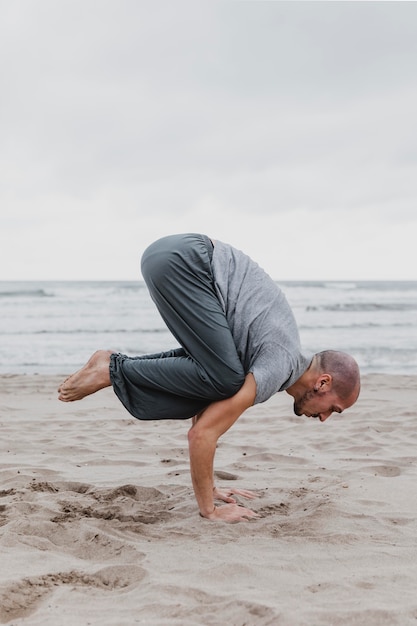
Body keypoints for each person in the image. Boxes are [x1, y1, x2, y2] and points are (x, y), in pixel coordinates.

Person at [58, 233, 360, 523]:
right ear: (323, 383)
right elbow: (202, 434)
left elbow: (207, 406)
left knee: (216, 381)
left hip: (175, 257)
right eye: (333, 409)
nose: (324, 419)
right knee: (226, 380)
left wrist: (212, 490)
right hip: (188, 261)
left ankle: (111, 366)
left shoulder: (277, 356)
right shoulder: (279, 364)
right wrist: (210, 510)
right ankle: (111, 367)